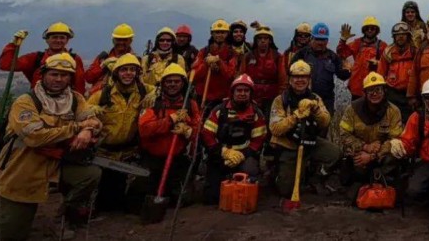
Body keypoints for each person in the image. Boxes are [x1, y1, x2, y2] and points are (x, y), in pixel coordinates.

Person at [0, 53, 102, 240]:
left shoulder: (75, 99)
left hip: (55, 163)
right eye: (54, 74)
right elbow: (35, 137)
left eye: (64, 75)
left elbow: (93, 120)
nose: (59, 79)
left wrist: (88, 131)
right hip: (23, 168)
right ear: (43, 75)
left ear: (70, 78)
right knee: (11, 233)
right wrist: (77, 127)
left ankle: (58, 217)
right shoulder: (26, 102)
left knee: (90, 175)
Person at [87, 53, 155, 213]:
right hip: (104, 152)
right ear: (116, 72)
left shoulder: (144, 91)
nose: (128, 73)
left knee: (121, 191)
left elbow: (164, 89)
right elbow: (83, 113)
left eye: (132, 70)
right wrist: (91, 112)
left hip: (128, 152)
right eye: (124, 70)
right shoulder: (102, 95)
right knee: (104, 191)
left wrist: (154, 95)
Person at [269, 60, 340, 197]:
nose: (300, 80)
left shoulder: (315, 98)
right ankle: (276, 172)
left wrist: (316, 110)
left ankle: (316, 178)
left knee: (335, 154)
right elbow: (275, 129)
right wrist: (296, 116)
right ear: (290, 79)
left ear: (309, 80)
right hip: (289, 145)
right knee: (286, 191)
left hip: (310, 142)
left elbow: (325, 122)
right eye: (296, 77)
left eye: (304, 77)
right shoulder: (280, 100)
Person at [134, 64, 201, 211]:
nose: (172, 85)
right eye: (168, 81)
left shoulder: (190, 104)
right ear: (163, 83)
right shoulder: (152, 102)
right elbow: (145, 129)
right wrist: (170, 120)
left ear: (183, 83)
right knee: (137, 200)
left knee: (183, 199)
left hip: (177, 158)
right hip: (152, 158)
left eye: (176, 81)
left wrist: (188, 130)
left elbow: (198, 129)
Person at [201, 74, 266, 205]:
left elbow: (258, 141)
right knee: (211, 198)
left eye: (246, 91)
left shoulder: (257, 114)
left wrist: (242, 155)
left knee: (250, 172)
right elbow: (207, 135)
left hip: (245, 156)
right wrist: (224, 152)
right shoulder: (219, 111)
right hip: (221, 155)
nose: (242, 93)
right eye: (239, 90)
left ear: (251, 94)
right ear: (232, 92)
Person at [338, 72, 403, 198]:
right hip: (360, 154)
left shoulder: (393, 111)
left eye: (378, 90)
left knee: (394, 156)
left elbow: (395, 139)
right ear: (365, 93)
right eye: (370, 90)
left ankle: (381, 183)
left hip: (381, 156)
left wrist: (373, 155)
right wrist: (364, 147)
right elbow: (343, 134)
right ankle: (363, 182)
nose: (374, 94)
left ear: (384, 91)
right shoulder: (352, 109)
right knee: (352, 170)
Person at [0, 22, 86, 94]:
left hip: (65, 103)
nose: (58, 40)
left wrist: (78, 105)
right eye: (54, 37)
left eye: (62, 38)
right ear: (47, 40)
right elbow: (7, 65)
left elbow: (79, 85)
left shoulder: (75, 59)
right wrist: (13, 45)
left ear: (67, 40)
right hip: (38, 102)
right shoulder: (36, 58)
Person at [291, 23, 351, 114]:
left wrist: (348, 70)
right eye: (317, 39)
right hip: (303, 99)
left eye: (323, 39)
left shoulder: (332, 56)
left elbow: (342, 76)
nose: (320, 42)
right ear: (312, 39)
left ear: (327, 41)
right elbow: (290, 72)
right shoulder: (302, 54)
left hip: (326, 102)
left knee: (324, 126)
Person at [192, 19, 239, 116]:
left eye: (222, 32)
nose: (219, 35)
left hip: (223, 98)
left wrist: (219, 62)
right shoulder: (203, 52)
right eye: (217, 32)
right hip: (203, 97)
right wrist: (206, 64)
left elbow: (230, 75)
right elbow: (194, 76)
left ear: (227, 34)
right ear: (212, 34)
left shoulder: (232, 54)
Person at [337, 16, 387, 100]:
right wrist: (343, 40)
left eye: (372, 28)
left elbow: (388, 64)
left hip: (374, 86)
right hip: (357, 87)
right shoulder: (357, 43)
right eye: (367, 28)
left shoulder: (382, 46)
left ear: (377, 30)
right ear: (364, 30)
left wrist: (378, 63)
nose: (369, 30)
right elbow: (342, 53)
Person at [243, 23, 287, 116]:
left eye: (266, 38)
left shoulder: (277, 56)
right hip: (252, 95)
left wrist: (280, 98)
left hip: (272, 95)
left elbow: (282, 79)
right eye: (260, 38)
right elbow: (241, 76)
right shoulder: (247, 56)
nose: (263, 41)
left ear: (270, 41)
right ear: (256, 40)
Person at [377, 23, 417, 122]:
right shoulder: (388, 52)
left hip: (411, 94)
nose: (400, 37)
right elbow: (380, 74)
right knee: (393, 121)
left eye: (404, 34)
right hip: (392, 93)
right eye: (398, 35)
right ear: (394, 37)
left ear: (408, 36)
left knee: (410, 122)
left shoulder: (415, 52)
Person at [84, 23, 136, 94]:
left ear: (130, 41)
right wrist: (102, 66)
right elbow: (89, 78)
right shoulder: (103, 57)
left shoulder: (136, 60)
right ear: (113, 40)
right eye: (118, 40)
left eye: (124, 40)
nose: (121, 42)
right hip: (101, 99)